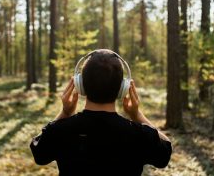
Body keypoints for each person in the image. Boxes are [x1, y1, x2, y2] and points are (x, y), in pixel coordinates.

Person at [30, 49, 172, 176]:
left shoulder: (61, 130)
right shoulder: (139, 134)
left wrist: (65, 113)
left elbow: (39, 153)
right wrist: (137, 115)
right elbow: (165, 151)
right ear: (122, 88)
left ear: (81, 85)